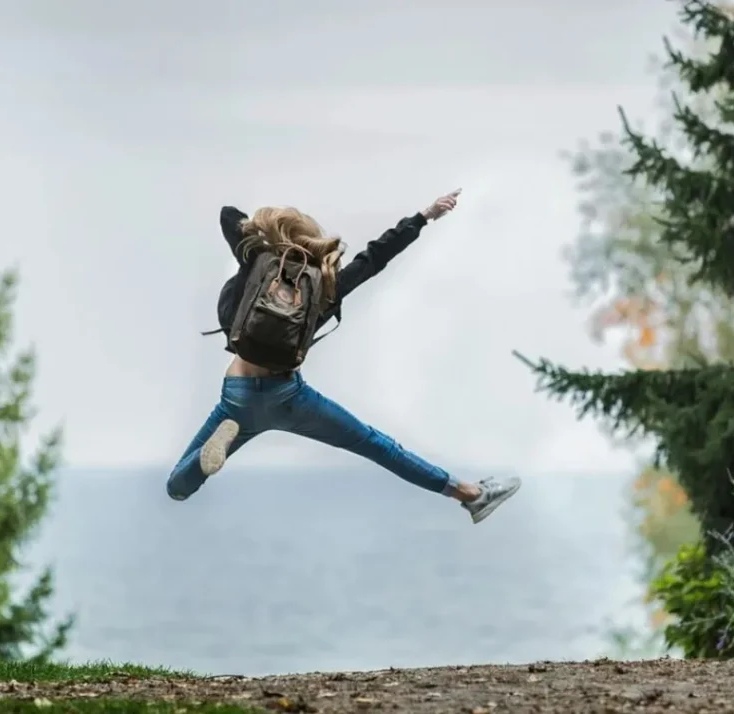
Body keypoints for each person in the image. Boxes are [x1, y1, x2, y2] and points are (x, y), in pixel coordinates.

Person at [166, 189, 522, 524]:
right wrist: (424, 216)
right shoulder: (324, 285)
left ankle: (204, 460)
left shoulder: (257, 261)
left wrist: (266, 239)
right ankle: (471, 495)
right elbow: (374, 258)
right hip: (288, 397)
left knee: (177, 488)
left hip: (237, 396)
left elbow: (228, 215)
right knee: (376, 445)